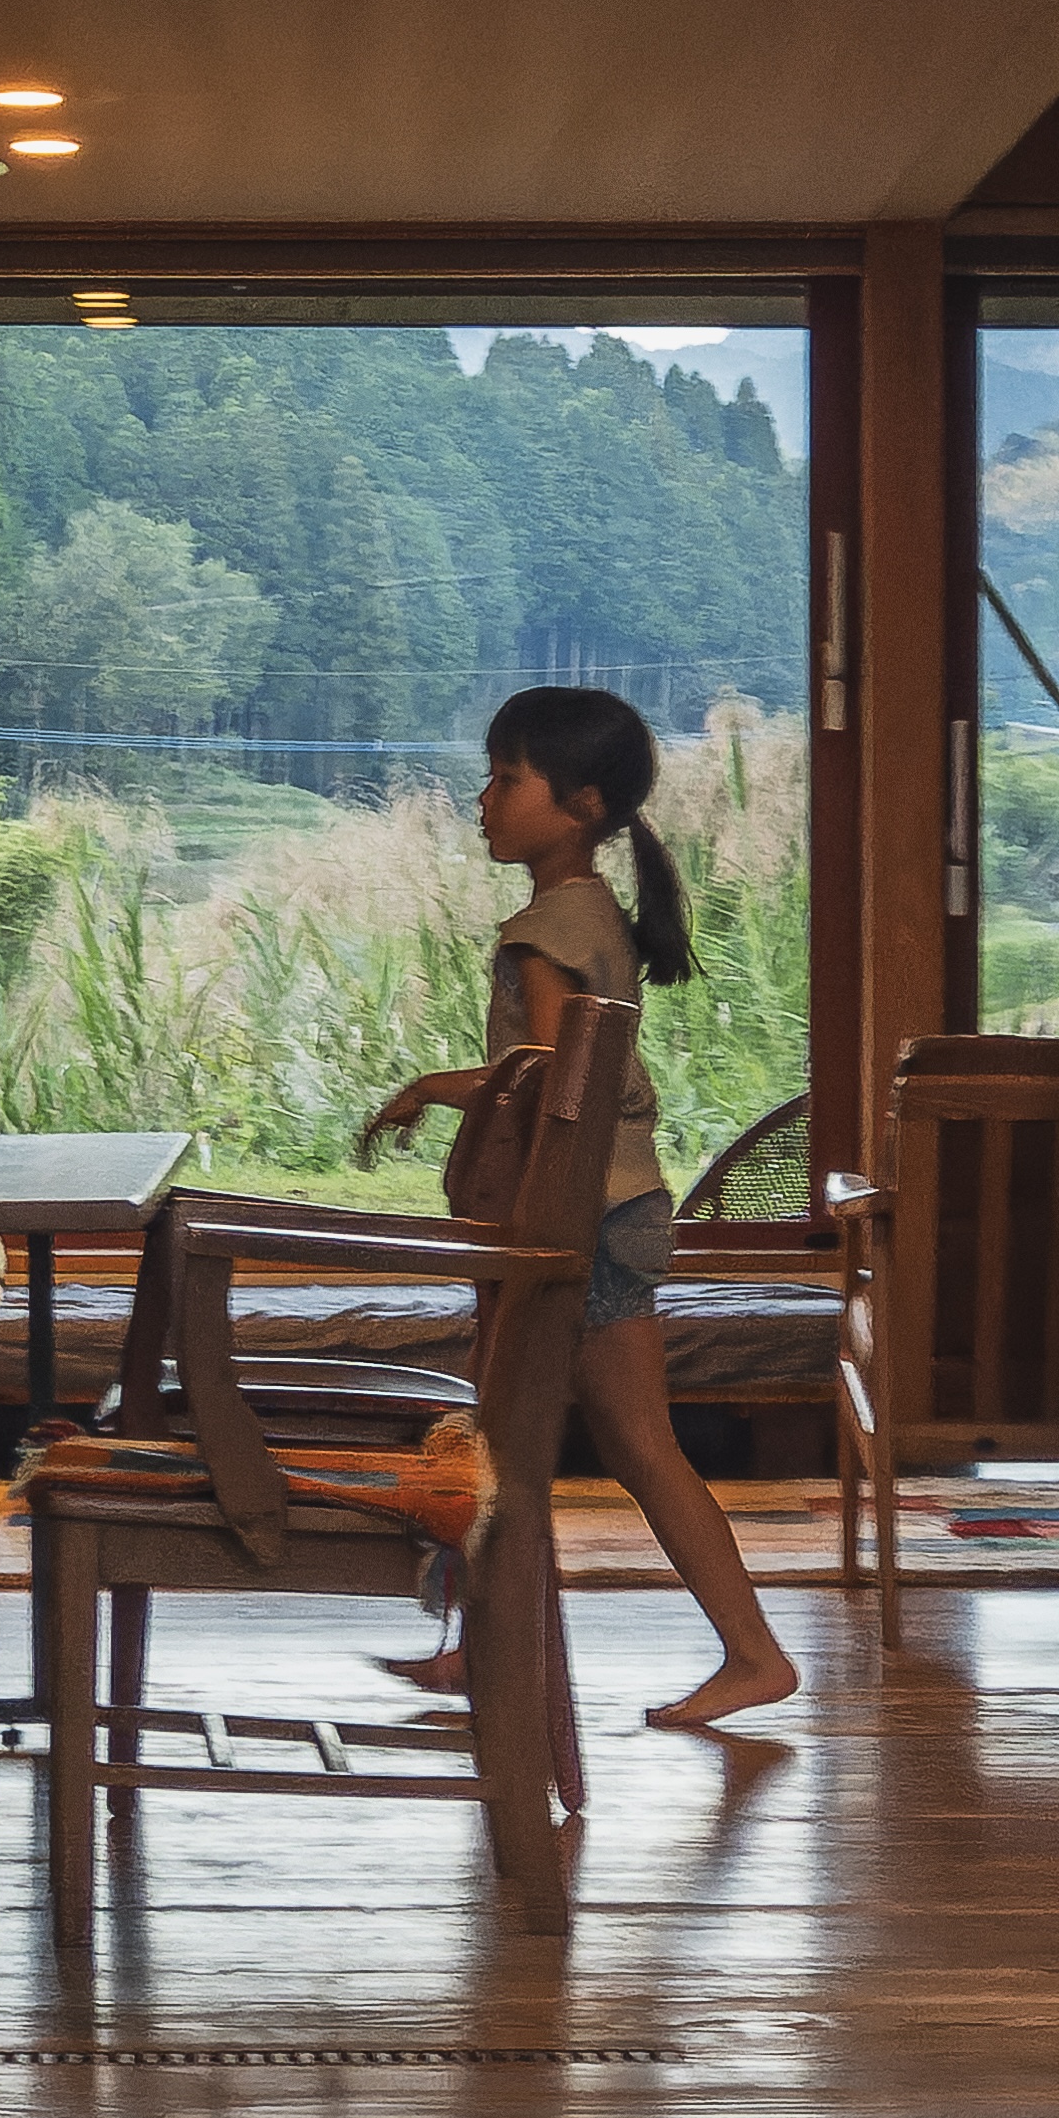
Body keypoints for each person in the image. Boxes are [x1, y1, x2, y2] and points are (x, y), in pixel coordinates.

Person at [358, 687, 798, 1730]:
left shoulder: (545, 926)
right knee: (515, 1437)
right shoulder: (590, 909)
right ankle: (483, 1644)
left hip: (581, 1221)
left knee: (631, 1444)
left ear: (579, 802)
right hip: (612, 1207)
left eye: (506, 777)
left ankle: (752, 1652)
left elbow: (555, 1080)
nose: (483, 797)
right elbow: (558, 1074)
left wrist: (431, 1087)